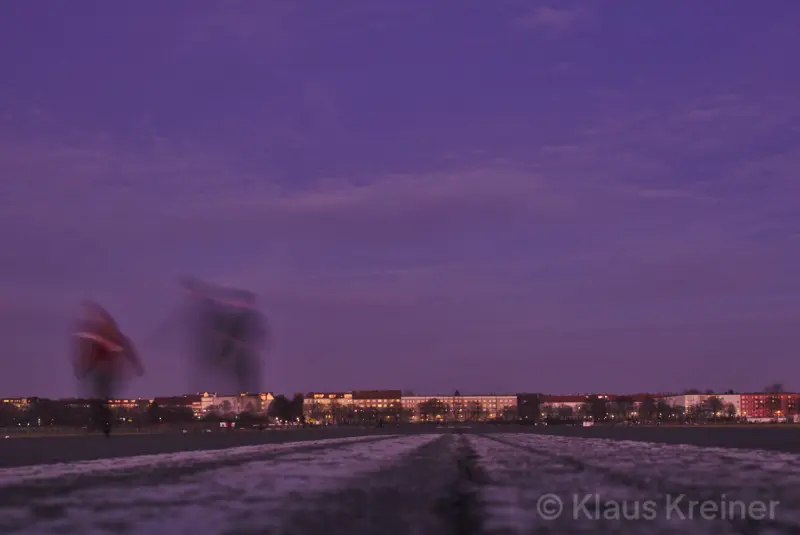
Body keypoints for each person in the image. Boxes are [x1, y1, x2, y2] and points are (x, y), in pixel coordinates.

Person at [72, 301, 144, 436]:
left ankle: (103, 424)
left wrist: (136, 364)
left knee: (100, 397)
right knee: (96, 397)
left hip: (106, 370)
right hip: (98, 369)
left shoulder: (109, 333)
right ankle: (101, 423)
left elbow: (125, 347)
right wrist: (82, 367)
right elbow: (88, 352)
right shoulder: (98, 333)